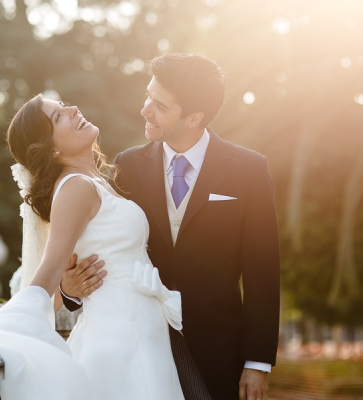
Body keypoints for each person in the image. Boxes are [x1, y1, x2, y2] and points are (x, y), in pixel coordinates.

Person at [61, 53, 281, 400]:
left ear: (195, 116)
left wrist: (257, 362)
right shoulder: (128, 165)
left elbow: (263, 273)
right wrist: (69, 290)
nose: (145, 110)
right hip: (140, 346)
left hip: (218, 351)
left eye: (160, 105)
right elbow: (106, 243)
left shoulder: (248, 170)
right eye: (148, 96)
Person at [0, 94, 185, 400]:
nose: (74, 110)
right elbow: (48, 271)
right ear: (51, 148)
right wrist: (2, 328)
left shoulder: (97, 181)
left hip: (144, 333)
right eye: (59, 117)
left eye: (64, 108)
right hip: (121, 339)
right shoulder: (76, 187)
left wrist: (68, 291)